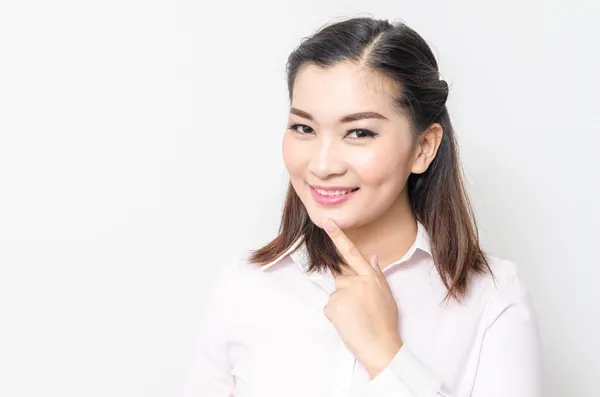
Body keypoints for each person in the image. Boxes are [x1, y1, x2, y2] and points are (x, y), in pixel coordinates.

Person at [181, 16, 543, 397]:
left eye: (359, 132)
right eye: (304, 128)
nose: (322, 165)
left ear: (423, 148)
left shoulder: (492, 297)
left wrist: (385, 354)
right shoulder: (246, 286)